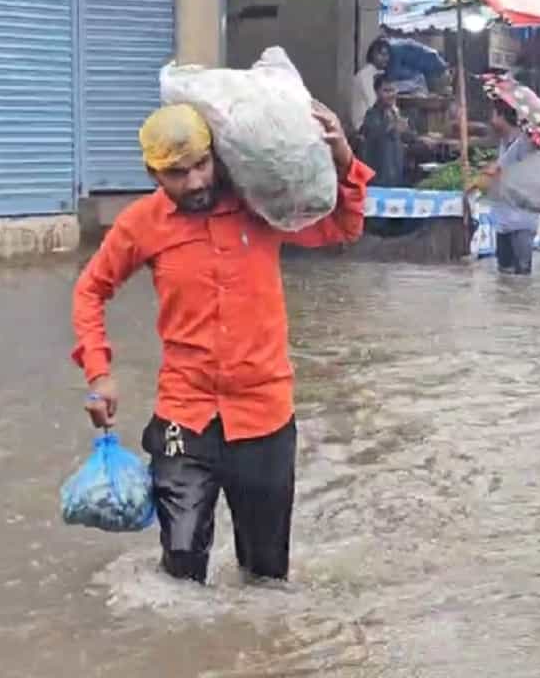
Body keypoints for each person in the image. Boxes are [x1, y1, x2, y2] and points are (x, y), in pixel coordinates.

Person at [71, 102, 372, 583]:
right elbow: (91, 290)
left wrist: (342, 158)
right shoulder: (141, 224)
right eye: (176, 173)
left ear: (217, 155)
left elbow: (342, 228)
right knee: (181, 572)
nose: (194, 183)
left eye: (201, 165)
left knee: (266, 573)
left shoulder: (261, 207)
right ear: (153, 173)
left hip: (264, 414)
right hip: (183, 416)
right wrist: (99, 372)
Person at [485, 99, 539, 275]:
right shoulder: (504, 143)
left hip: (522, 221)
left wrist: (501, 172)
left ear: (502, 116)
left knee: (522, 277)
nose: (491, 120)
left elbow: (529, 174)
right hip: (504, 220)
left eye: (493, 114)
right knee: (504, 277)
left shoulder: (526, 143)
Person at [357, 74, 412, 187]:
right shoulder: (372, 115)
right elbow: (373, 136)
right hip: (379, 178)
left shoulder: (394, 113)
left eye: (393, 90)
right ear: (377, 93)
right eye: (386, 91)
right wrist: (392, 128)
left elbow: (404, 137)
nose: (391, 94)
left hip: (396, 175)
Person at [350, 38, 391, 133]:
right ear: (373, 54)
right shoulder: (365, 75)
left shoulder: (380, 74)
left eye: (388, 55)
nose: (386, 58)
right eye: (382, 54)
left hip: (376, 122)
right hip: (363, 125)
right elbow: (372, 102)